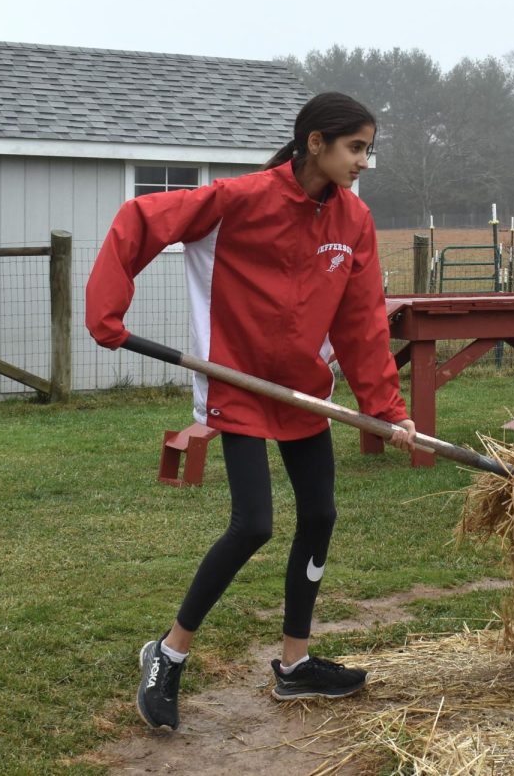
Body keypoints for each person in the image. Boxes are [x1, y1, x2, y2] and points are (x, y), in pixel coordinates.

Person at [86, 91, 416, 732]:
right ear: (314, 142)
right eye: (356, 148)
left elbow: (361, 324)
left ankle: (296, 664)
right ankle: (169, 654)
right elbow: (138, 220)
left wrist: (387, 408)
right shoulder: (239, 201)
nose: (364, 162)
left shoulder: (353, 222)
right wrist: (107, 312)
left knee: (320, 514)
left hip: (303, 391)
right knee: (254, 525)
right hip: (236, 382)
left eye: (369, 150)